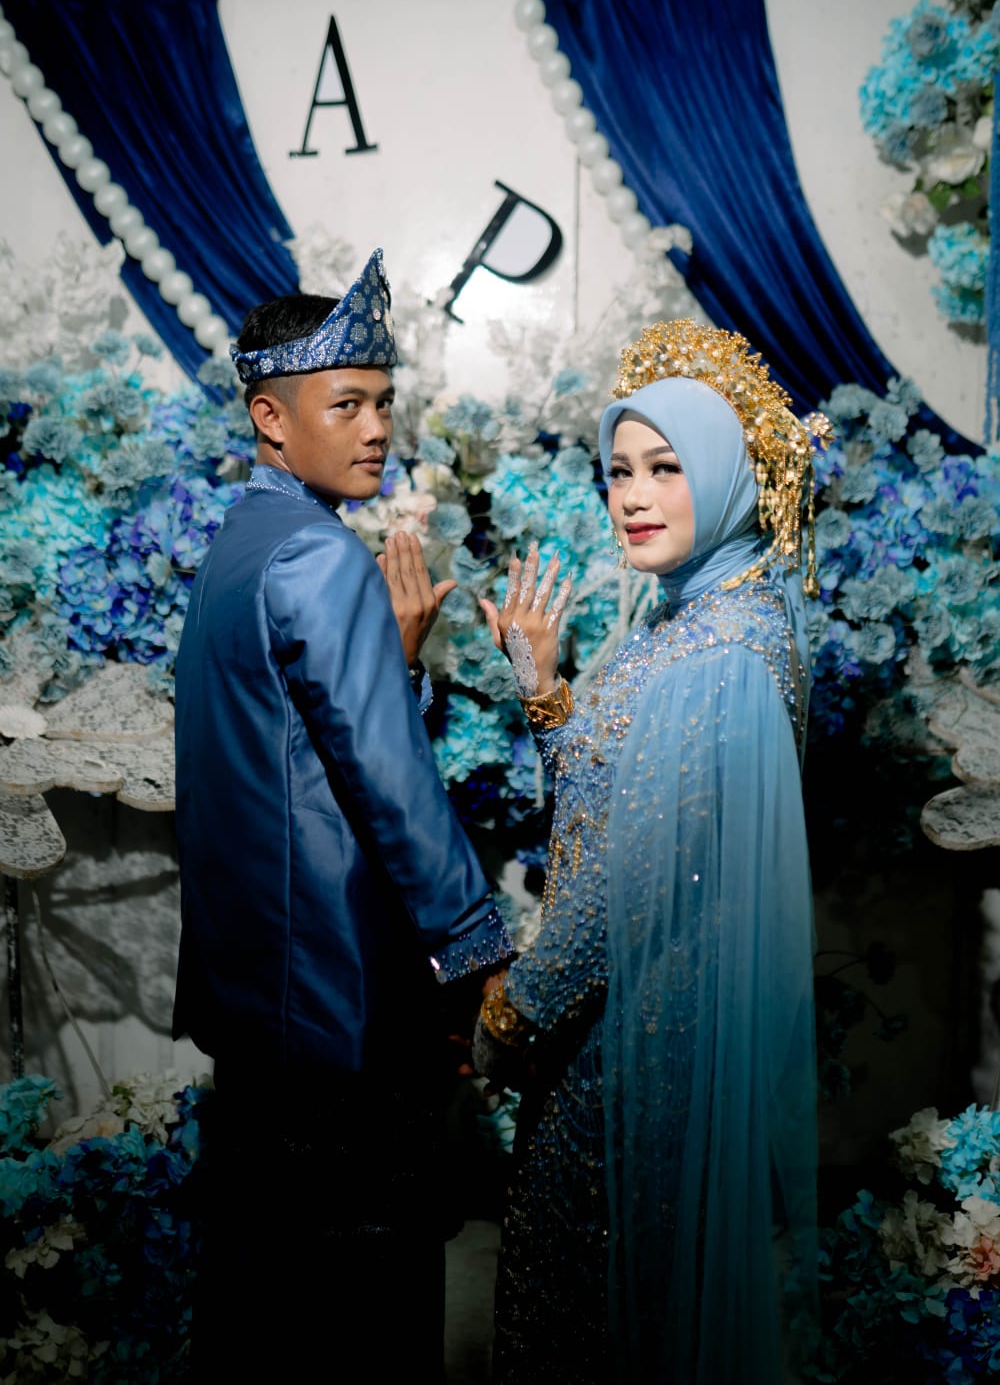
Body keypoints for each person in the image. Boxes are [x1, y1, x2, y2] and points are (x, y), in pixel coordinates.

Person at [171, 249, 513, 1379]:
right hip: (339, 1004)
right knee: (365, 1318)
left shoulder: (239, 549)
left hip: (255, 1005)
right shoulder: (321, 557)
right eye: (346, 404)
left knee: (273, 1311)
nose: (375, 431)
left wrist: (393, 662)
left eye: (383, 403)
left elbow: (288, 757)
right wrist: (477, 952)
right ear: (270, 417)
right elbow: (392, 790)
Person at [475, 318, 828, 1383]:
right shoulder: (691, 617)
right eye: (619, 470)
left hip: (629, 1053)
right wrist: (544, 691)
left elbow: (622, 894)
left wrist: (510, 1015)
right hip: (621, 1031)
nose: (632, 495)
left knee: (588, 1327)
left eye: (665, 468)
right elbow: (611, 808)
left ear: (726, 475)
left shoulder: (723, 653)